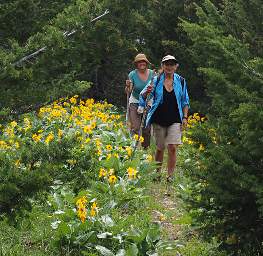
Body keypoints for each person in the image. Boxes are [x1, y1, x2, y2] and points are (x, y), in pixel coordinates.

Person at [138, 55, 190, 181]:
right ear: (162, 66)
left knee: (172, 147)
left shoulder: (181, 81)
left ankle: (170, 176)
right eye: (167, 64)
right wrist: (147, 92)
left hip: (175, 119)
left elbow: (185, 101)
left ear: (176, 66)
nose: (169, 67)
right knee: (160, 148)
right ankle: (157, 174)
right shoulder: (156, 80)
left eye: (172, 64)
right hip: (159, 118)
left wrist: (185, 117)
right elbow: (143, 95)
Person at [125, 53, 154, 149]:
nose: (142, 63)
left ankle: (145, 149)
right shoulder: (132, 74)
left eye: (143, 61)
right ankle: (133, 148)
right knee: (136, 127)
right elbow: (128, 91)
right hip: (135, 101)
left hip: (148, 101)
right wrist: (127, 86)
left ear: (146, 63)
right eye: (139, 62)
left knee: (147, 128)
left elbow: (156, 88)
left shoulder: (152, 74)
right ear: (136, 64)